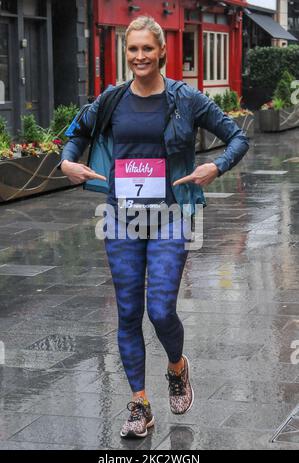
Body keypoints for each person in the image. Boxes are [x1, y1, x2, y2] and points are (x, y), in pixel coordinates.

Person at [60, 16, 249, 439]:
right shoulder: (111, 99)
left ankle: (177, 367)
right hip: (121, 217)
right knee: (128, 311)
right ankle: (139, 404)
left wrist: (214, 167)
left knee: (160, 309)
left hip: (170, 217)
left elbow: (238, 137)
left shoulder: (186, 99)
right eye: (133, 49)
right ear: (125, 53)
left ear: (162, 51)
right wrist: (68, 162)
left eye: (147, 48)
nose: (140, 56)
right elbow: (75, 134)